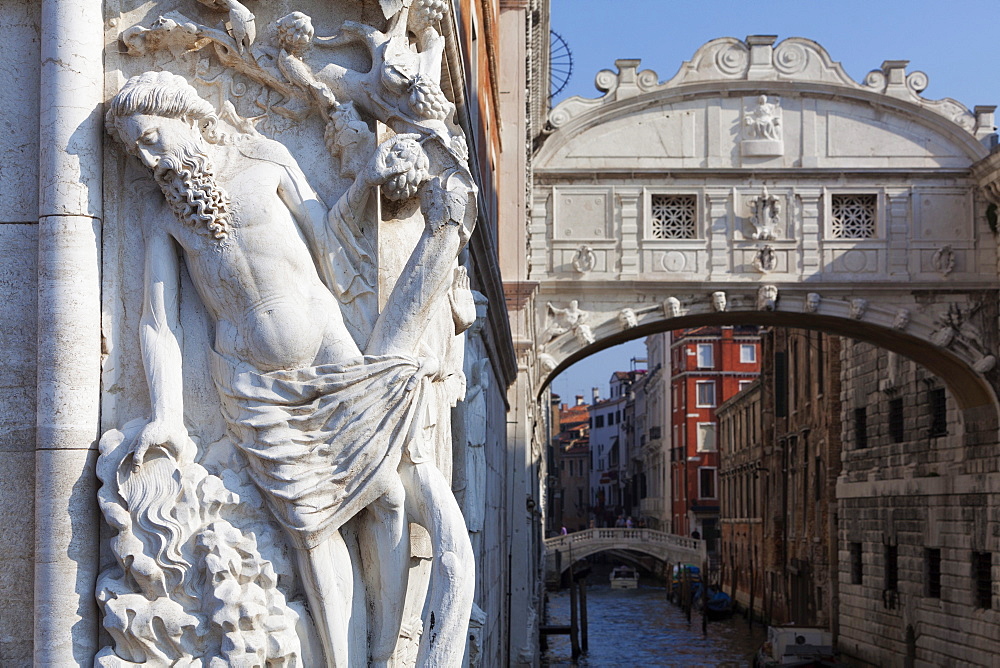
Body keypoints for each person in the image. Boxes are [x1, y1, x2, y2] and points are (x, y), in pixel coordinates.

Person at [106, 70, 474, 668]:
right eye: (136, 150)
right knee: (311, 527)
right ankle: (344, 660)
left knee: (383, 494)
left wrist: (364, 181)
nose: (150, 159)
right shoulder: (165, 219)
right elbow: (159, 321)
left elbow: (328, 240)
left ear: (185, 116)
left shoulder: (267, 161)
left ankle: (387, 654)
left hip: (331, 355)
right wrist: (167, 415)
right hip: (252, 386)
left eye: (151, 137)